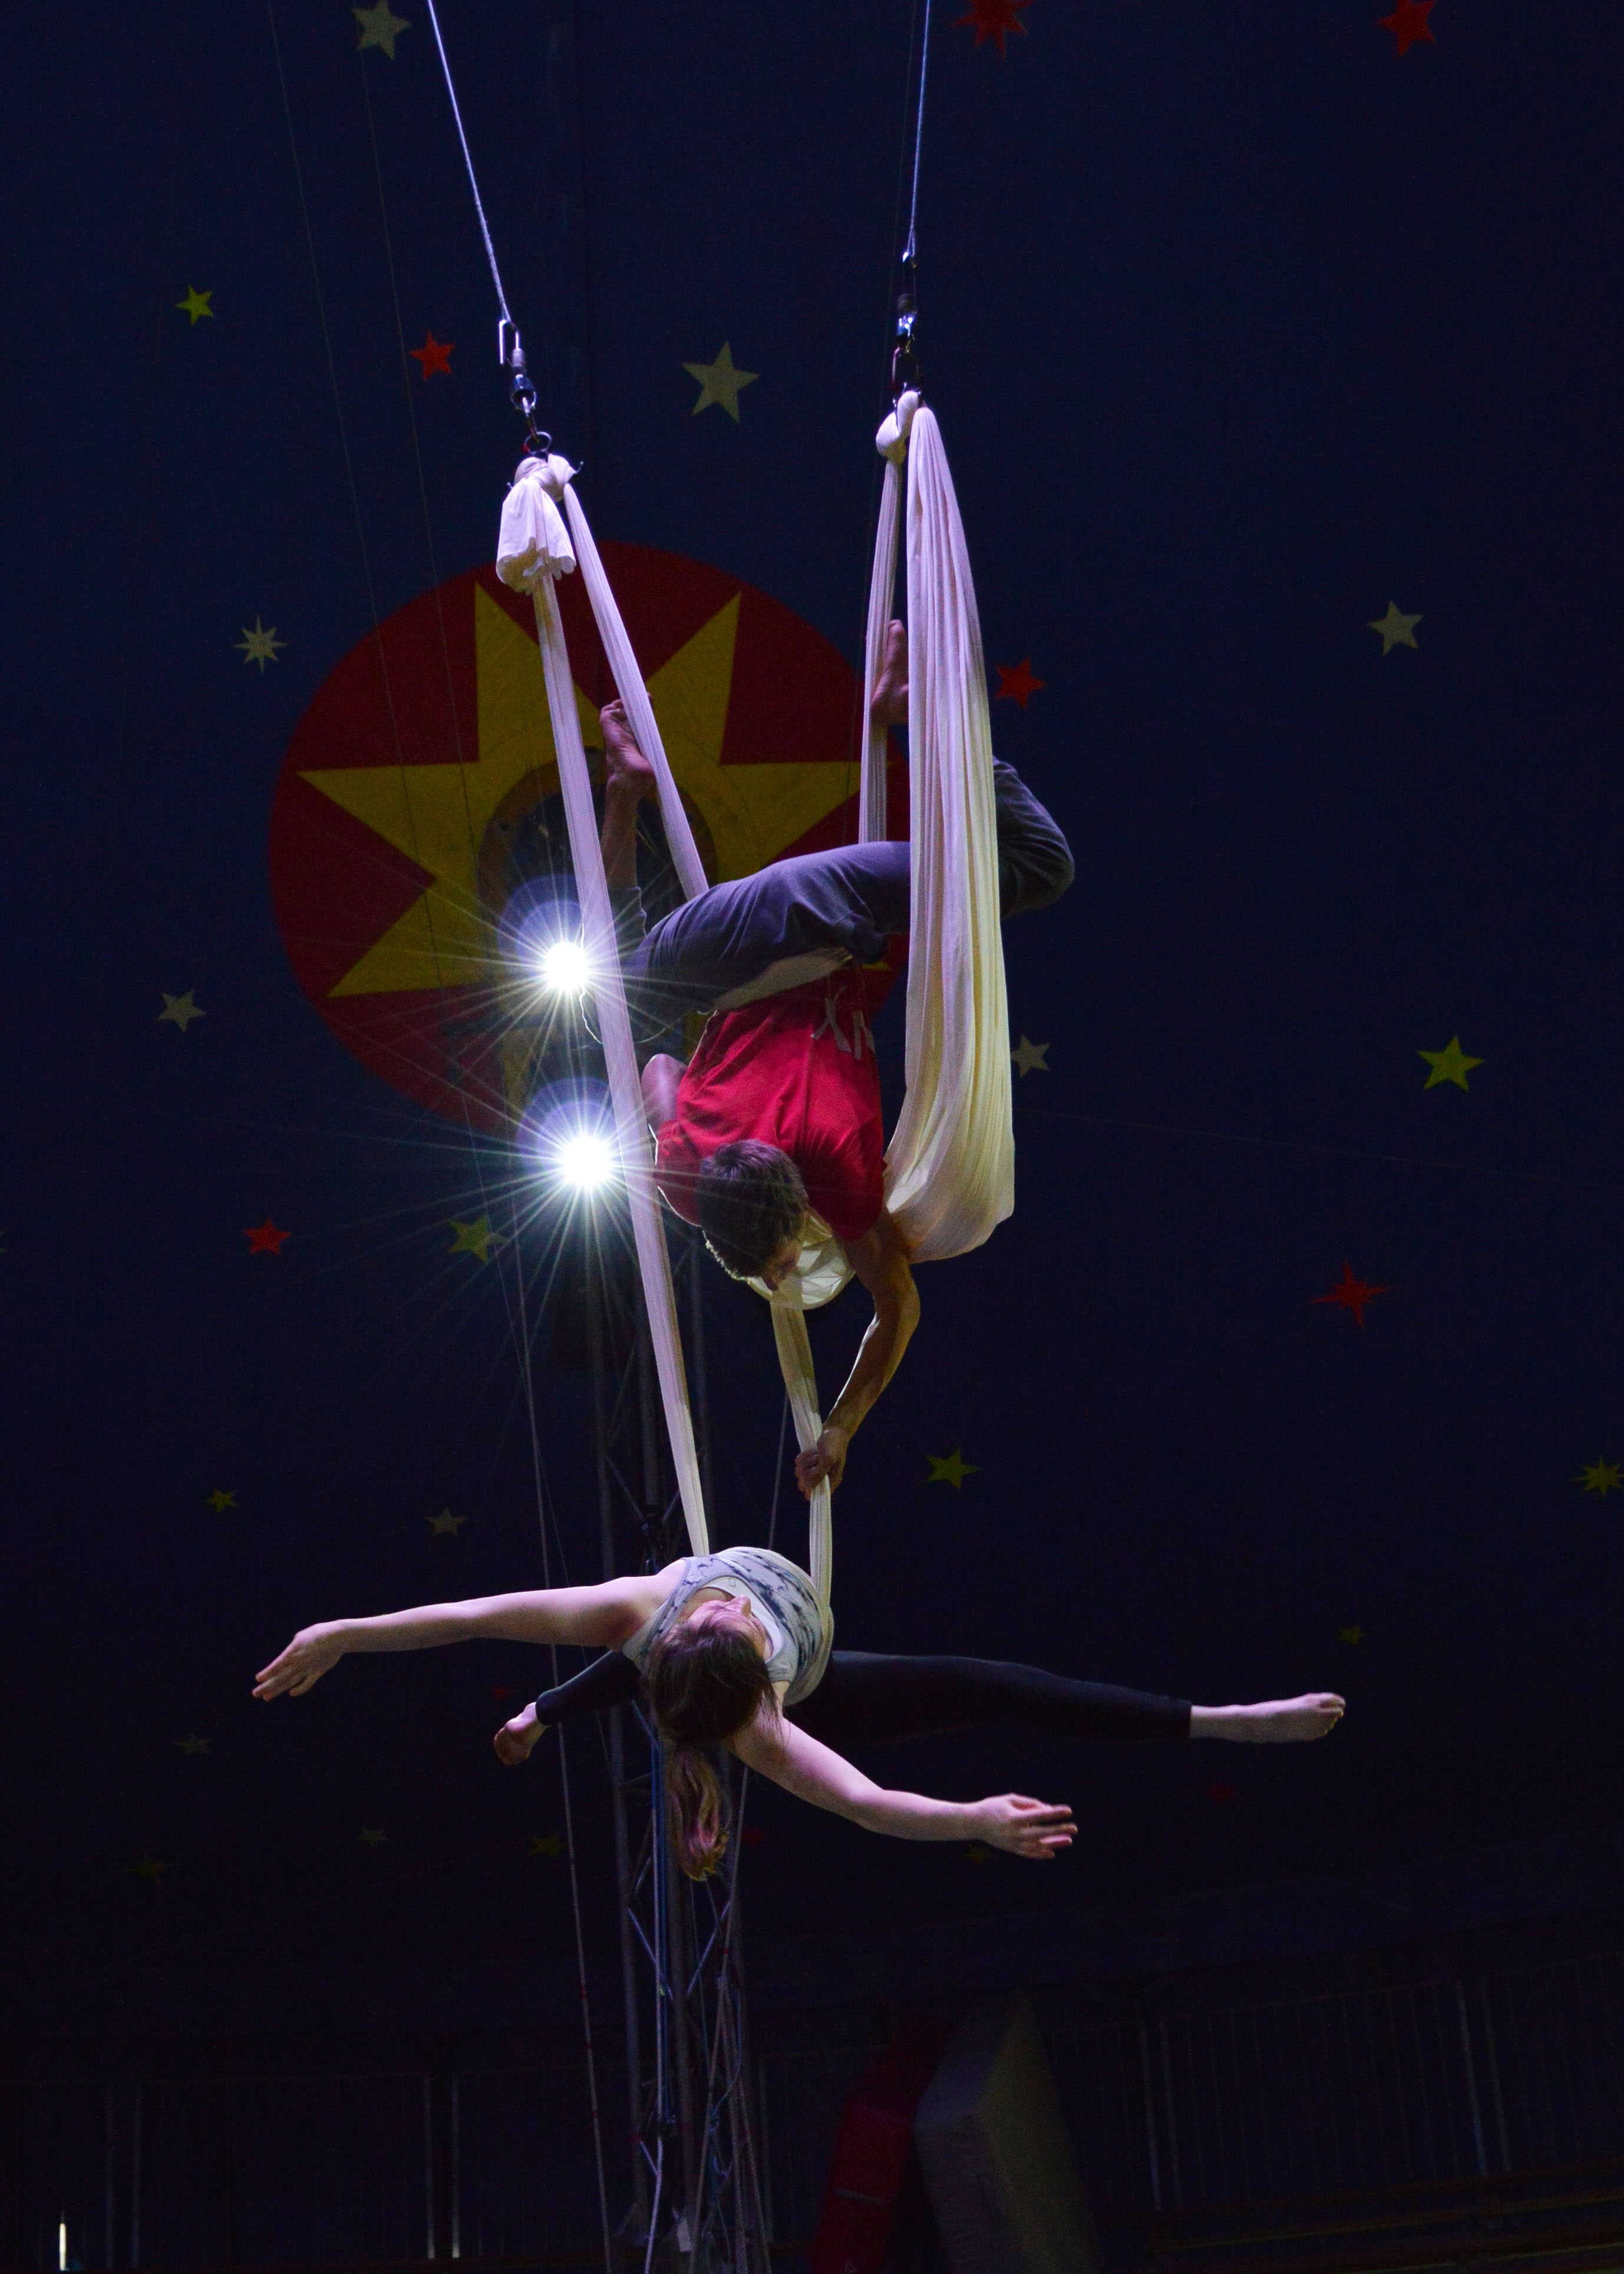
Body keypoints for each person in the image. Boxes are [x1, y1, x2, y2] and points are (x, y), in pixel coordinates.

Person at [599, 622, 1075, 1503]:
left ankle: (915, 710)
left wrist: (844, 1428)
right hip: (709, 944)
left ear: (797, 1208)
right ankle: (625, 789)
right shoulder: (681, 1177)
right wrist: (653, 1127)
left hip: (814, 919)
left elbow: (898, 1310)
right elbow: (656, 1068)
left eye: (777, 1259)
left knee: (1038, 868)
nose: (785, 1269)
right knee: (606, 1008)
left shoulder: (842, 1172)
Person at [254, 1548, 1345, 1881]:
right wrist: (972, 1819)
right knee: (993, 1684)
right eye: (722, 1612)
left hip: (667, 1674)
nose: (723, 1599)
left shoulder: (646, 1616)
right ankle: (1222, 1723)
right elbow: (870, 1804)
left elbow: (465, 1615)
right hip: (814, 1686)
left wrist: (340, 1632)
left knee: (611, 1656)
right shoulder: (759, 1726)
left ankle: (1221, 1720)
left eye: (714, 1609)